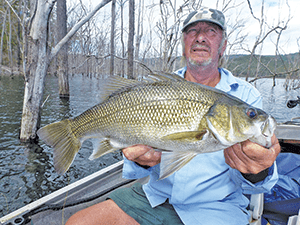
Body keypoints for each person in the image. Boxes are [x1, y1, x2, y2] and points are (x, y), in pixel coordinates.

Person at [66, 7, 280, 225]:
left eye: (211, 32)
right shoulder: (158, 88)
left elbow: (257, 185)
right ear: (184, 43)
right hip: (155, 198)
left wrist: (258, 171)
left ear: (223, 45)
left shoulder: (246, 96)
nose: (200, 37)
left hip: (217, 207)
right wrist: (142, 161)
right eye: (193, 31)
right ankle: (72, 131)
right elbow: (132, 169)